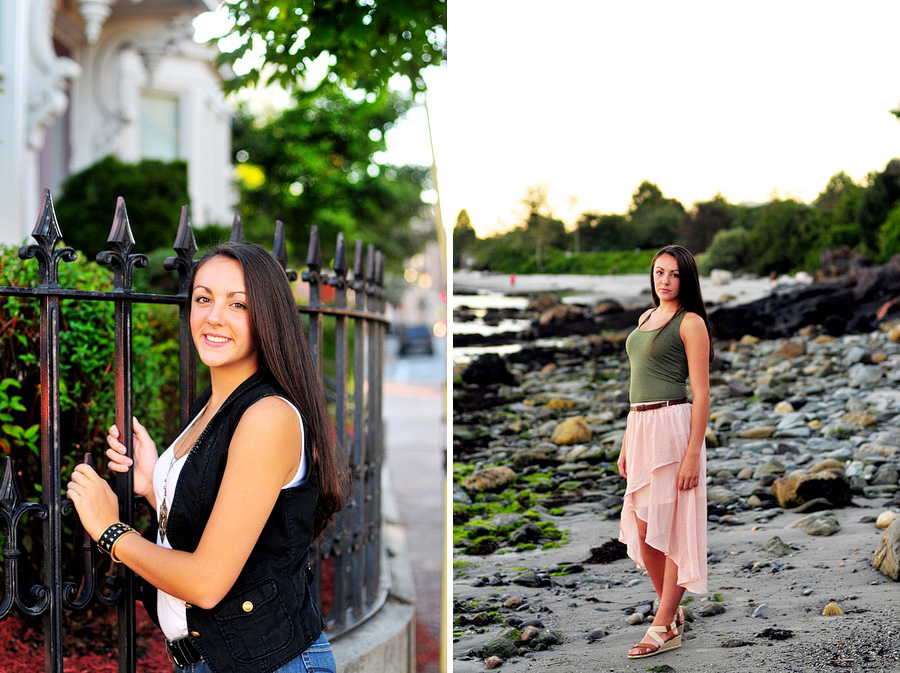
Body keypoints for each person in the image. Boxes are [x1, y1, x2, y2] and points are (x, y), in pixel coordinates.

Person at [67, 241, 349, 673]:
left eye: (238, 304)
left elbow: (207, 582)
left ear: (268, 318)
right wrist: (154, 487)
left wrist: (110, 532)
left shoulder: (267, 416)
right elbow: (225, 527)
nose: (213, 317)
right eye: (203, 298)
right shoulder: (213, 405)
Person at [616, 244, 713, 659]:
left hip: (672, 427)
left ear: (685, 279)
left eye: (673, 274)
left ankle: (662, 625)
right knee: (643, 527)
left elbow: (703, 392)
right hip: (640, 428)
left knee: (672, 529)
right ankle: (670, 613)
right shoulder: (644, 319)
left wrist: (694, 451)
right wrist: (625, 443)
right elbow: (635, 385)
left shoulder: (690, 323)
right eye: (659, 272)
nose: (665, 280)